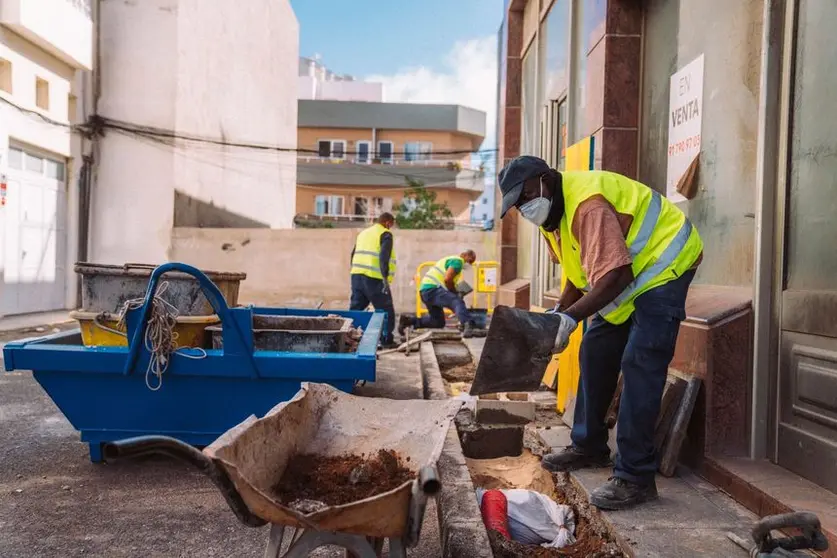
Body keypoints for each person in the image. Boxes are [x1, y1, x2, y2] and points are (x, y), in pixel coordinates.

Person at [497, 155, 703, 510]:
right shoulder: (554, 219)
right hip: (628, 279)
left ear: (546, 179)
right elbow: (579, 275)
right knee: (594, 351)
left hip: (664, 265)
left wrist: (571, 318)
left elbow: (616, 275)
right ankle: (589, 446)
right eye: (517, 204)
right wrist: (559, 313)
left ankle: (635, 477)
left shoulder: (587, 206)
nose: (524, 206)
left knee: (640, 362)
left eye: (527, 195)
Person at [399, 250, 479, 338]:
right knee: (457, 301)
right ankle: (468, 324)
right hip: (433, 288)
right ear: (464, 255)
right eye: (470, 261)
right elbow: (447, 279)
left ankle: (408, 321)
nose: (470, 264)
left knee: (437, 322)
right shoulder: (458, 261)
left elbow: (447, 280)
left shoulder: (451, 260)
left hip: (425, 291)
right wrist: (454, 293)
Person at [350, 213, 397, 348]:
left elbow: (353, 254)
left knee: (356, 309)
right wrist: (385, 278)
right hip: (374, 278)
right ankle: (386, 339)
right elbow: (384, 257)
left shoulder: (363, 234)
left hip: (357, 275)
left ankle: (351, 337)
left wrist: (355, 271)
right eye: (391, 225)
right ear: (388, 223)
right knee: (386, 309)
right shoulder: (385, 234)